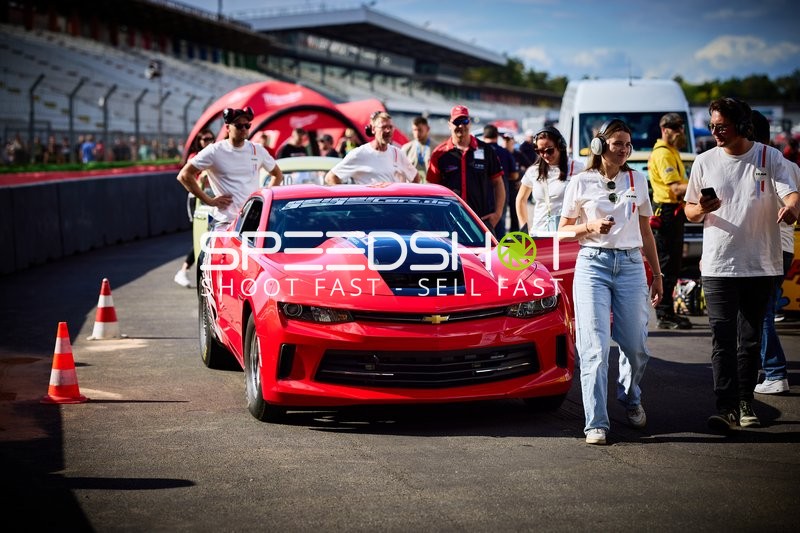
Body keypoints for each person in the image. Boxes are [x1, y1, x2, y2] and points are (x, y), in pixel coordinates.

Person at [684, 98, 799, 432]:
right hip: (718, 265)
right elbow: (690, 210)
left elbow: (790, 193)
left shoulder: (768, 156)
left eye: (721, 126)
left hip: (761, 264)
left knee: (749, 340)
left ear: (741, 126)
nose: (715, 132)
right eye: (712, 126)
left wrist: (791, 208)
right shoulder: (705, 161)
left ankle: (746, 403)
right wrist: (702, 207)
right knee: (722, 339)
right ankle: (726, 407)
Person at [557, 118, 664, 445]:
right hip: (592, 265)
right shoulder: (580, 181)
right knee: (595, 349)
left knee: (636, 348)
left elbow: (645, 230)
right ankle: (596, 423)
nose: (624, 150)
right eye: (618, 143)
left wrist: (657, 274)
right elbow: (562, 229)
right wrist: (589, 228)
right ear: (600, 146)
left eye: (628, 144)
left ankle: (631, 397)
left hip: (631, 265)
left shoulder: (638, 178)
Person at [177, 106, 284, 232]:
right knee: (213, 252)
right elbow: (184, 175)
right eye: (239, 126)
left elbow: (278, 175)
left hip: (253, 220)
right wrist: (209, 200)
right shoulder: (214, 150)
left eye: (247, 126)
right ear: (227, 128)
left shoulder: (257, 149)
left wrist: (264, 199)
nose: (244, 129)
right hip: (224, 222)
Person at [750, 110, 797, 395]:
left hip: (768, 246)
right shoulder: (790, 166)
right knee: (759, 310)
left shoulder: (765, 165)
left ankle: (775, 371)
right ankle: (758, 368)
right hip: (785, 246)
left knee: (761, 311)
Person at [427, 105, 505, 233]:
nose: (461, 126)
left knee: (487, 254)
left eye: (465, 121)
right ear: (449, 125)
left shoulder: (486, 150)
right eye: (457, 122)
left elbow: (498, 183)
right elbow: (432, 188)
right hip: (449, 222)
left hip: (482, 222)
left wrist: (498, 214)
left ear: (470, 123)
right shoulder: (439, 154)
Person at [648, 113, 692, 330]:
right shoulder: (663, 154)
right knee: (667, 263)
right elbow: (675, 187)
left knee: (674, 264)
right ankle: (664, 314)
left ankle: (668, 311)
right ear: (665, 129)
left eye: (682, 128)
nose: (681, 133)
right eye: (677, 129)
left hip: (673, 211)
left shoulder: (672, 152)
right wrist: (700, 182)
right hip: (666, 212)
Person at [515, 126, 584, 234]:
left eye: (550, 150)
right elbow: (521, 199)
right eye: (540, 151)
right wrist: (524, 229)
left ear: (560, 146)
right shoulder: (533, 171)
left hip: (567, 235)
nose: (545, 155)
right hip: (539, 234)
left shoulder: (578, 168)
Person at [324, 111, 418, 185]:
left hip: (392, 208)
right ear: (373, 129)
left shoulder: (397, 153)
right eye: (384, 127)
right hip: (369, 208)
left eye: (390, 127)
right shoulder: (360, 153)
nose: (388, 131)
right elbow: (331, 178)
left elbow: (415, 178)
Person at [174, 129, 215, 288]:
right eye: (205, 139)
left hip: (213, 198)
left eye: (211, 138)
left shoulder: (214, 154)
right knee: (200, 237)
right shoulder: (195, 158)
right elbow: (187, 177)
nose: (208, 141)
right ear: (199, 141)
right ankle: (183, 270)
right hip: (197, 200)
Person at [482, 125, 517, 238]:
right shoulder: (505, 152)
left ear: (484, 136)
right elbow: (514, 174)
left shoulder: (479, 151)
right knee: (500, 224)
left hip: (481, 194)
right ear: (497, 136)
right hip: (501, 193)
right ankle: (499, 252)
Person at [401, 116, 432, 183]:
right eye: (415, 130)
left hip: (430, 189)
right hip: (412, 189)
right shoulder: (406, 148)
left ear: (428, 129)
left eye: (420, 130)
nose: (417, 133)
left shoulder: (436, 148)